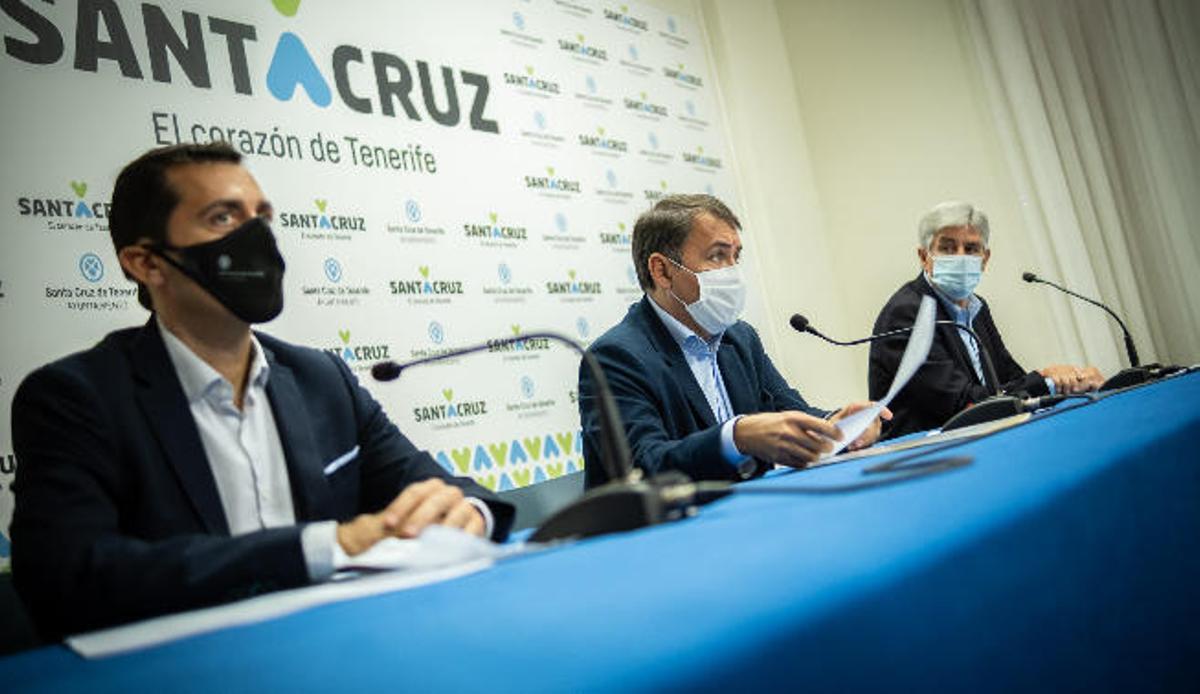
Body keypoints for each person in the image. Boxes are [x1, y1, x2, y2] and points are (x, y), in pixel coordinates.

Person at [9, 143, 513, 639]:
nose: (255, 238)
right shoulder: (76, 397)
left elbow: (438, 487)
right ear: (147, 263)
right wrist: (321, 547)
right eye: (223, 219)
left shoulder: (322, 378)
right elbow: (67, 578)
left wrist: (467, 512)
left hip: (340, 651)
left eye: (261, 217)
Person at [578, 194, 888, 487]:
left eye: (735, 256)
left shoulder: (740, 339)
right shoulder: (615, 358)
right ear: (662, 271)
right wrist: (735, 437)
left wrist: (840, 425)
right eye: (716, 255)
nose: (733, 272)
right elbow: (643, 467)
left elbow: (791, 411)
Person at [869, 201, 1104, 439]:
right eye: (948, 248)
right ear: (924, 256)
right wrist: (1048, 381)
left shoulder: (977, 308)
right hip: (925, 457)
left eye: (971, 249)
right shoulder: (907, 313)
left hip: (980, 439)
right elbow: (963, 403)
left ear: (985, 258)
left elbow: (1009, 381)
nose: (961, 257)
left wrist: (1072, 380)